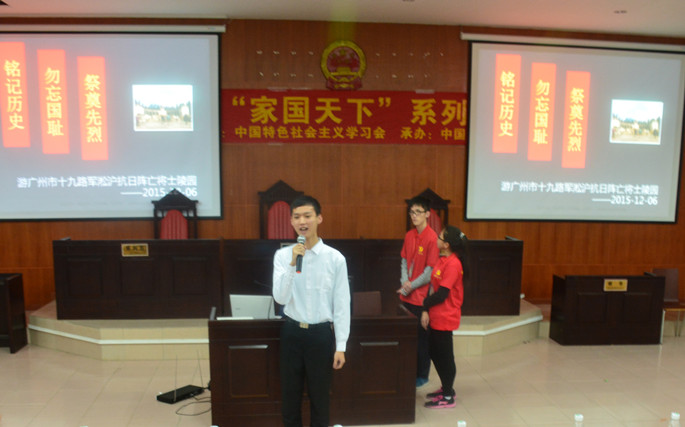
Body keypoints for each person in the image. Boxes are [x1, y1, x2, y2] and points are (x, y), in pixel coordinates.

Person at [272, 195, 351, 427]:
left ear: (319, 218)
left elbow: (342, 304)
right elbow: (280, 298)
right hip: (292, 333)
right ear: (291, 221)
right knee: (290, 398)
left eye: (307, 216)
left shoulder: (335, 259)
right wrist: (292, 264)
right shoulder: (283, 256)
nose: (302, 221)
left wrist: (341, 345)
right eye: (296, 217)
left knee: (320, 399)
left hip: (320, 335)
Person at [420, 225, 469, 409]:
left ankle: (448, 396)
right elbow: (434, 288)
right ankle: (445, 387)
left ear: (447, 244)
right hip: (436, 314)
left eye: (440, 237)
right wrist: (426, 309)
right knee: (435, 352)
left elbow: (442, 294)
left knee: (445, 357)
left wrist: (425, 305)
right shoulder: (442, 260)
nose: (437, 239)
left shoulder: (454, 264)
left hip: (446, 316)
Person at [397, 196, 440, 388]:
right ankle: (408, 373)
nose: (414, 216)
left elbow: (429, 273)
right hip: (406, 296)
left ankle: (422, 376)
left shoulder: (432, 238)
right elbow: (404, 261)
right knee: (407, 339)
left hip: (421, 298)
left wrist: (410, 285)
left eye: (418, 212)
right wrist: (404, 282)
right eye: (412, 212)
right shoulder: (409, 235)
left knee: (422, 341)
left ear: (427, 214)